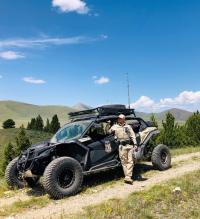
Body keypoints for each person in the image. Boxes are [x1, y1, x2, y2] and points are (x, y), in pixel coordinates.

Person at [109, 114, 137, 184]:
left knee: (131, 161)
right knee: (124, 162)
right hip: (121, 146)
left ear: (124, 119)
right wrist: (110, 127)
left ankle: (128, 176)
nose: (119, 119)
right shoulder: (115, 126)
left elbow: (133, 135)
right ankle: (127, 176)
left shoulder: (128, 126)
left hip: (129, 145)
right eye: (118, 118)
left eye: (121, 118)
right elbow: (108, 132)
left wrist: (135, 144)